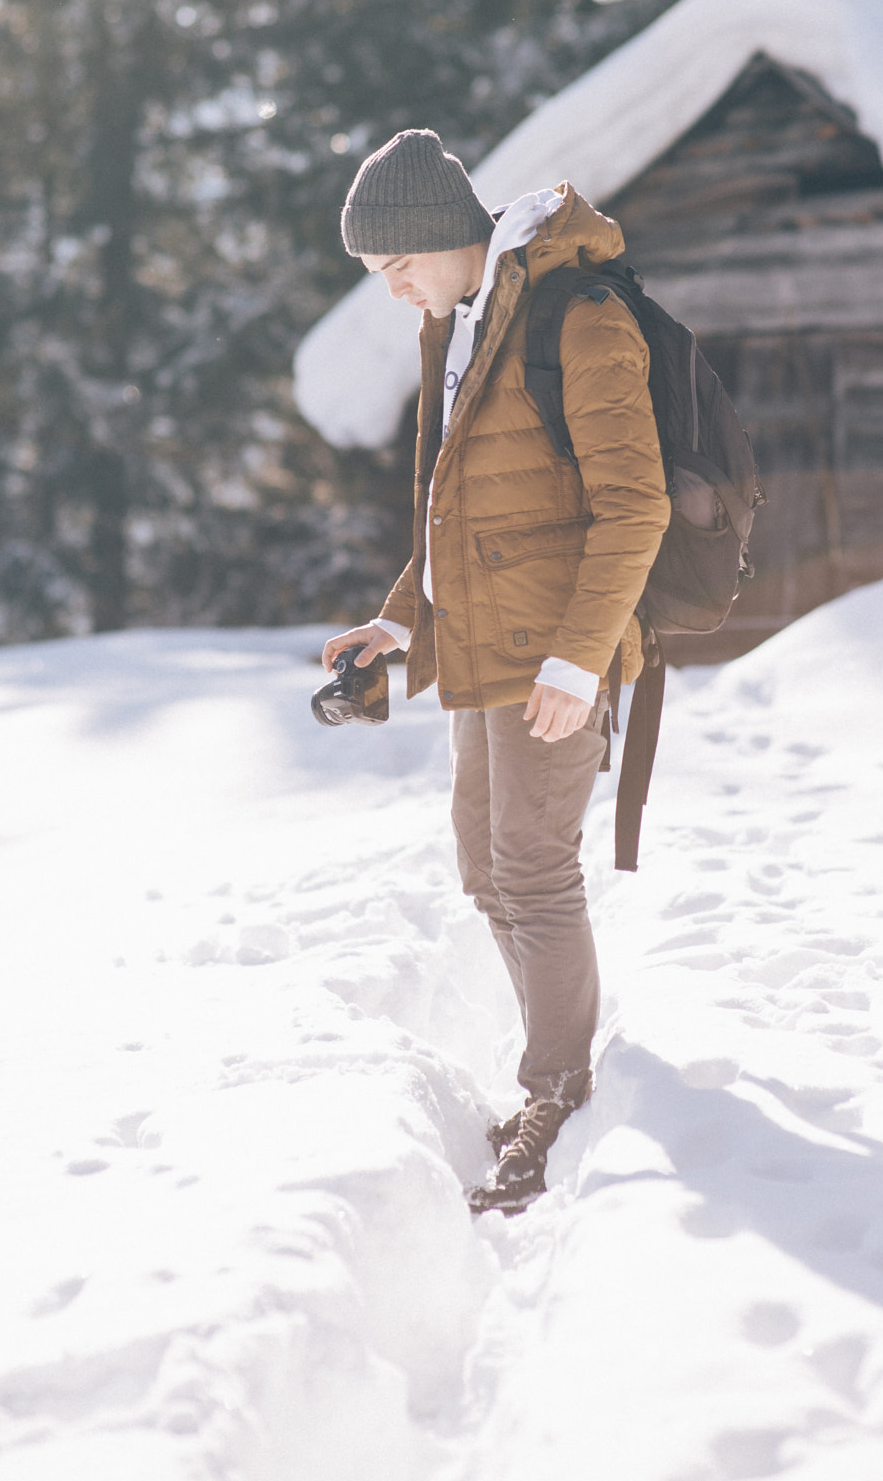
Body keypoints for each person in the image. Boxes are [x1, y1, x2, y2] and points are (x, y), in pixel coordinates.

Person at [322, 128, 669, 1210]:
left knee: (530, 871)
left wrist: (578, 657)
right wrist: (397, 624)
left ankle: (554, 1092)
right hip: (485, 648)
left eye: (394, 268)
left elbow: (634, 505)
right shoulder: (466, 322)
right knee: (485, 871)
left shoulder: (579, 316)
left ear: (436, 235)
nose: (391, 293)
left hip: (551, 656)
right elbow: (462, 511)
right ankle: (553, 1073)